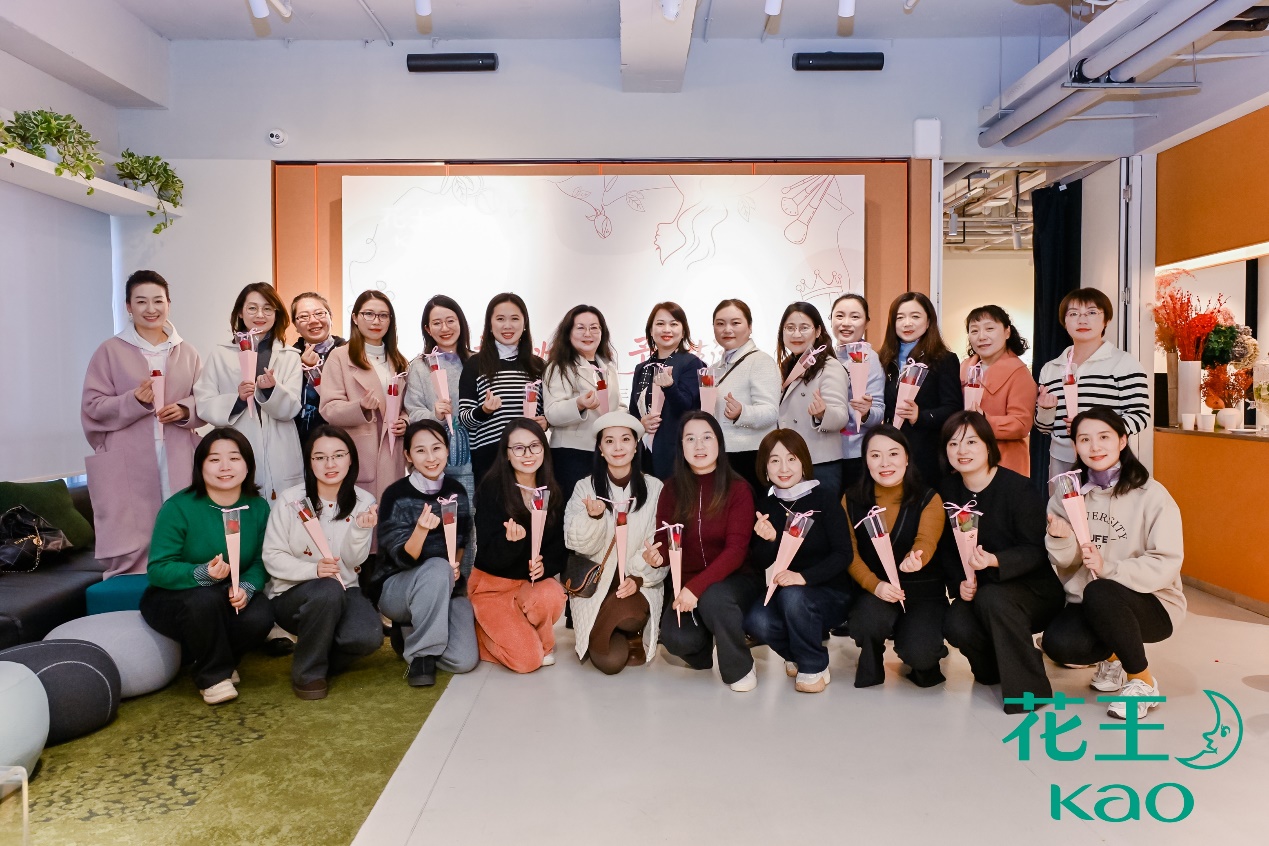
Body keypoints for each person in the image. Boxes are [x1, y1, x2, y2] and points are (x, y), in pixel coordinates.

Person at [1041, 406, 1184, 720]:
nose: (1095, 447)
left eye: (1104, 437)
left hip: (1153, 602)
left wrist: (1109, 568)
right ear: (1075, 446)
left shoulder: (1152, 495)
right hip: (1088, 601)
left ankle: (1142, 681)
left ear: (1122, 440)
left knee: (1102, 590)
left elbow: (1167, 562)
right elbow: (1063, 561)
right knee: (1060, 644)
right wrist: (1060, 537)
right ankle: (1115, 657)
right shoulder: (1067, 495)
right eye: (1084, 439)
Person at [938, 411, 1064, 713]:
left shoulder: (1018, 488)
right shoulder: (947, 491)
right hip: (981, 590)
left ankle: (1029, 693)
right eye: (953, 444)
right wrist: (959, 583)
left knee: (993, 599)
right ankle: (997, 667)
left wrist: (996, 561)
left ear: (988, 445)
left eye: (971, 442)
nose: (962, 450)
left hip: (1031, 589)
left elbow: (1037, 550)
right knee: (956, 623)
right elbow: (946, 550)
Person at [82, 270, 203, 577]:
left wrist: (185, 410)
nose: (151, 309)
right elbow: (92, 407)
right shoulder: (109, 351)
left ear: (169, 304)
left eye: (158, 300)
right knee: (133, 528)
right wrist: (133, 401)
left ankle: (184, 577)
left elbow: (206, 401)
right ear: (128, 306)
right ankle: (133, 584)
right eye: (141, 301)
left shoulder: (187, 352)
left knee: (182, 521)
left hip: (179, 452)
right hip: (129, 456)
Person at [139, 428, 274, 705]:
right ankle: (212, 677)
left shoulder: (258, 507)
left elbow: (261, 561)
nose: (225, 467)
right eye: (214, 460)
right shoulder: (178, 507)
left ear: (247, 465)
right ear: (201, 466)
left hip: (228, 594)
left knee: (261, 614)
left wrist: (247, 588)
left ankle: (222, 659)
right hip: (175, 598)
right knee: (205, 600)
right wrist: (202, 573)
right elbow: (158, 568)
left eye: (234, 458)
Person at [263, 425, 383, 700]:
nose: (330, 464)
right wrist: (313, 570)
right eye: (320, 457)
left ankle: (314, 653)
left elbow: (355, 561)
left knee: (367, 637)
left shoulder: (364, 501)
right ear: (309, 462)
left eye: (338, 455)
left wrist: (360, 530)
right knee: (327, 588)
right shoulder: (290, 500)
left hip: (346, 590)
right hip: (293, 595)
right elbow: (272, 556)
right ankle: (308, 674)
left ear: (351, 459)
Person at [654, 411, 761, 692]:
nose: (699, 446)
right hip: (689, 583)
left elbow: (736, 551)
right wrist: (656, 556)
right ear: (681, 446)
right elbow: (664, 542)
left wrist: (696, 588)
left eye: (706, 437)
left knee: (715, 598)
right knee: (676, 638)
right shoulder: (671, 489)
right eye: (690, 439)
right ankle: (708, 645)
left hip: (736, 579)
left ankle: (740, 666)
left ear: (719, 443)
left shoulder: (738, 489)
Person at [370, 419, 481, 686]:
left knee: (465, 660)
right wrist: (420, 530)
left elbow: (462, 540)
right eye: (420, 450)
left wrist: (455, 567)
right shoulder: (395, 495)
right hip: (398, 588)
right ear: (408, 455)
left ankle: (410, 634)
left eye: (437, 448)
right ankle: (421, 656)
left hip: (444, 586)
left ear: (447, 450)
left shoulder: (456, 491)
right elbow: (402, 558)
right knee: (437, 567)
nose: (431, 458)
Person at [742, 429, 852, 694]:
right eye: (775, 460)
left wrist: (803, 578)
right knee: (755, 620)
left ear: (803, 462)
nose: (784, 468)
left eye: (791, 459)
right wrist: (768, 540)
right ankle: (798, 652)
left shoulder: (825, 498)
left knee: (793, 596)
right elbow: (760, 562)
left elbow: (843, 554)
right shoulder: (766, 506)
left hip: (830, 591)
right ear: (765, 468)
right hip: (787, 594)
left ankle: (814, 665)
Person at [843, 425, 947, 688]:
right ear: (866, 460)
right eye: (875, 455)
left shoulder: (929, 498)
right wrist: (874, 585)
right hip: (877, 590)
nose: (885, 463)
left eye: (893, 454)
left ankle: (916, 643)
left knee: (922, 655)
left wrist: (916, 558)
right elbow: (850, 553)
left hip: (921, 592)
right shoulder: (851, 500)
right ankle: (872, 651)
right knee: (867, 621)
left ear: (907, 458)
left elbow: (926, 540)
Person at [563, 412, 666, 674]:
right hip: (595, 584)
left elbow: (658, 542)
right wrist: (594, 518)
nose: (618, 447)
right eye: (609, 441)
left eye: (625, 439)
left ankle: (624, 630)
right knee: (611, 663)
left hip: (634, 583)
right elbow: (576, 543)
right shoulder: (585, 487)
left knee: (630, 615)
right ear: (600, 448)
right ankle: (612, 633)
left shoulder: (655, 488)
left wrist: (638, 577)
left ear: (636, 446)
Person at [468, 418, 567, 672]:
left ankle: (526, 636)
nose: (528, 454)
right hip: (493, 587)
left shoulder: (552, 491)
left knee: (552, 594)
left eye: (535, 446)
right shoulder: (492, 490)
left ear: (544, 449)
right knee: (527, 661)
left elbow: (559, 549)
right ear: (507, 454)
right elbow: (487, 556)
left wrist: (545, 566)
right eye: (519, 448)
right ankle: (481, 631)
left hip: (527, 585)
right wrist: (510, 544)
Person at [194, 282, 304, 502]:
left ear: (276, 314)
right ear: (240, 313)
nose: (260, 315)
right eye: (252, 308)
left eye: (267, 308)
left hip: (281, 449)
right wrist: (238, 400)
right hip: (236, 444)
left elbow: (291, 408)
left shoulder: (290, 355)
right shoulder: (221, 354)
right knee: (241, 509)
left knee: (284, 511)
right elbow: (204, 403)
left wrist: (271, 390)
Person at [1035, 288, 1150, 483]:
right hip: (1062, 460)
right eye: (1073, 314)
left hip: (1106, 459)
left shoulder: (1124, 362)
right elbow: (1044, 427)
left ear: (1106, 320)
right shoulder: (1051, 368)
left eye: (1091, 312)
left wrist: (1097, 430)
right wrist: (1046, 410)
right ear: (1064, 322)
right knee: (1061, 504)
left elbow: (1140, 415)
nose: (1082, 320)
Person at [404, 294, 476, 575]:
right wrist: (433, 413)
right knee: (437, 524)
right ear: (427, 328)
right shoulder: (419, 365)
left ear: (461, 323)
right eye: (437, 323)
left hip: (471, 458)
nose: (445, 328)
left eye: (450, 320)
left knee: (469, 525)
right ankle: (438, 583)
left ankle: (465, 586)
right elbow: (412, 410)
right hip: (434, 461)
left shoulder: (475, 361)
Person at [317, 290, 410, 503]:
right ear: (355, 317)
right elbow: (329, 408)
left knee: (391, 512)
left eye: (383, 315)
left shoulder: (399, 360)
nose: (376, 321)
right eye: (369, 314)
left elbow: (406, 406)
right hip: (359, 452)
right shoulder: (340, 357)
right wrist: (360, 407)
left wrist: (405, 421)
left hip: (393, 451)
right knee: (362, 515)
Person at [458, 293, 548, 486]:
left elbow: (548, 412)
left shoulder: (539, 366)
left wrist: (546, 421)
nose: (507, 326)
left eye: (514, 319)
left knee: (535, 505)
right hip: (490, 460)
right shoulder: (475, 364)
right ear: (490, 325)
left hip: (531, 460)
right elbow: (464, 419)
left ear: (524, 324)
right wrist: (485, 410)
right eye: (500, 319)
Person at [879, 292, 962, 486]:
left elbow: (953, 408)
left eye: (915, 316)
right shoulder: (882, 359)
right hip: (889, 451)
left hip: (926, 451)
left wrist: (920, 416)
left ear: (928, 322)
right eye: (900, 317)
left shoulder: (943, 359)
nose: (907, 323)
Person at [542, 305, 621, 498]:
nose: (588, 333)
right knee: (574, 510)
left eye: (594, 328)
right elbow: (552, 412)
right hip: (571, 454)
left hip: (605, 452)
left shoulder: (608, 368)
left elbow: (616, 406)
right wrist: (579, 404)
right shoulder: (559, 367)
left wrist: (631, 422)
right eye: (580, 328)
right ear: (568, 332)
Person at [775, 302, 850, 496]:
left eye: (804, 328)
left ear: (817, 331)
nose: (796, 334)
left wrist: (823, 413)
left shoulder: (830, 366)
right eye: (790, 328)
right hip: (789, 462)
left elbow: (841, 416)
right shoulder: (785, 366)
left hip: (819, 464)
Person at [629, 301, 706, 480]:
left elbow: (688, 409)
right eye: (660, 324)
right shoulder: (642, 368)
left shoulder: (691, 364)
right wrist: (640, 423)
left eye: (674, 324)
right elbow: (633, 411)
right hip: (643, 454)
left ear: (683, 331)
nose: (666, 330)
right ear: (651, 330)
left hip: (675, 454)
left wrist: (670, 387)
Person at [710, 299, 781, 493]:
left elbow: (771, 411)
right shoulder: (713, 369)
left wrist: (742, 412)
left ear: (749, 327)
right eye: (720, 323)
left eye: (735, 323)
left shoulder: (761, 361)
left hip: (751, 455)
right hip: (721, 454)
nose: (727, 329)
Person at [960, 306, 1037, 477]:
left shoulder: (1019, 373)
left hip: (1004, 460)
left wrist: (984, 421)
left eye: (989, 328)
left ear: (1007, 332)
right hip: (966, 458)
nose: (981, 336)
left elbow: (1021, 424)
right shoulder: (964, 367)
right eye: (974, 331)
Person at [830, 293, 885, 490]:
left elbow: (879, 411)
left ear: (866, 323)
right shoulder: (825, 356)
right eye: (839, 316)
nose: (846, 323)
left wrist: (866, 412)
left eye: (855, 317)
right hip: (825, 452)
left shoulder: (869, 358)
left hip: (856, 454)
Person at [290, 292, 346, 446]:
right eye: (303, 316)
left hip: (341, 439)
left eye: (319, 313)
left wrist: (315, 371)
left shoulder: (350, 353)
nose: (313, 321)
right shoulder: (288, 357)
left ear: (330, 316)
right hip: (298, 443)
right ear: (295, 325)